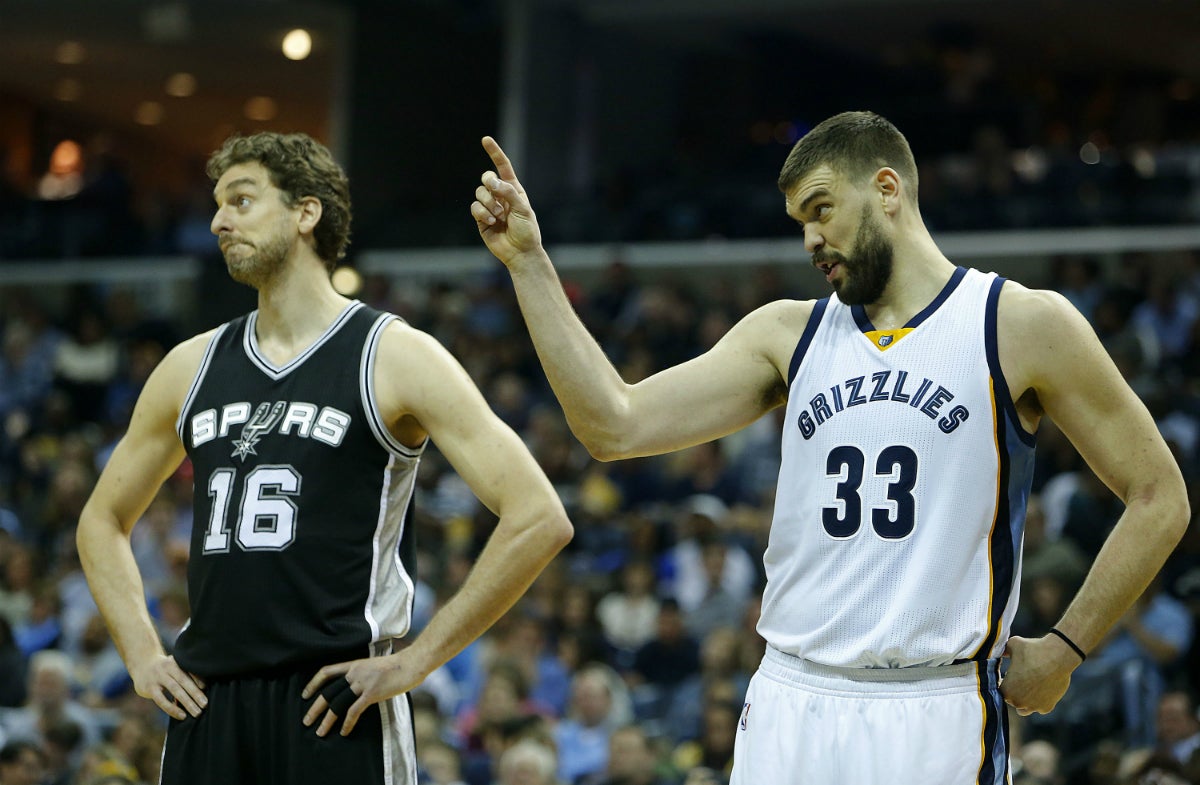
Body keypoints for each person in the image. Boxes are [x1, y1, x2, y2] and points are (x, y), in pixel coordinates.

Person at [470, 111, 1189, 783]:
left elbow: (1160, 496)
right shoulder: (788, 332)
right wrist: (530, 264)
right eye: (799, 223)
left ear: (886, 191)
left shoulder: (1018, 323)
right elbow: (613, 425)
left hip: (935, 703)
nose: (810, 239)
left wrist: (1066, 647)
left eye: (821, 209)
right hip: (791, 694)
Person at [76, 131, 573, 785]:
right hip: (208, 700)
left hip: (334, 702)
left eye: (243, 200)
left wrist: (414, 662)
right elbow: (100, 520)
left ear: (305, 212)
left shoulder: (394, 354)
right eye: (218, 204)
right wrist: (141, 651)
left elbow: (539, 516)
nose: (220, 220)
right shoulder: (188, 366)